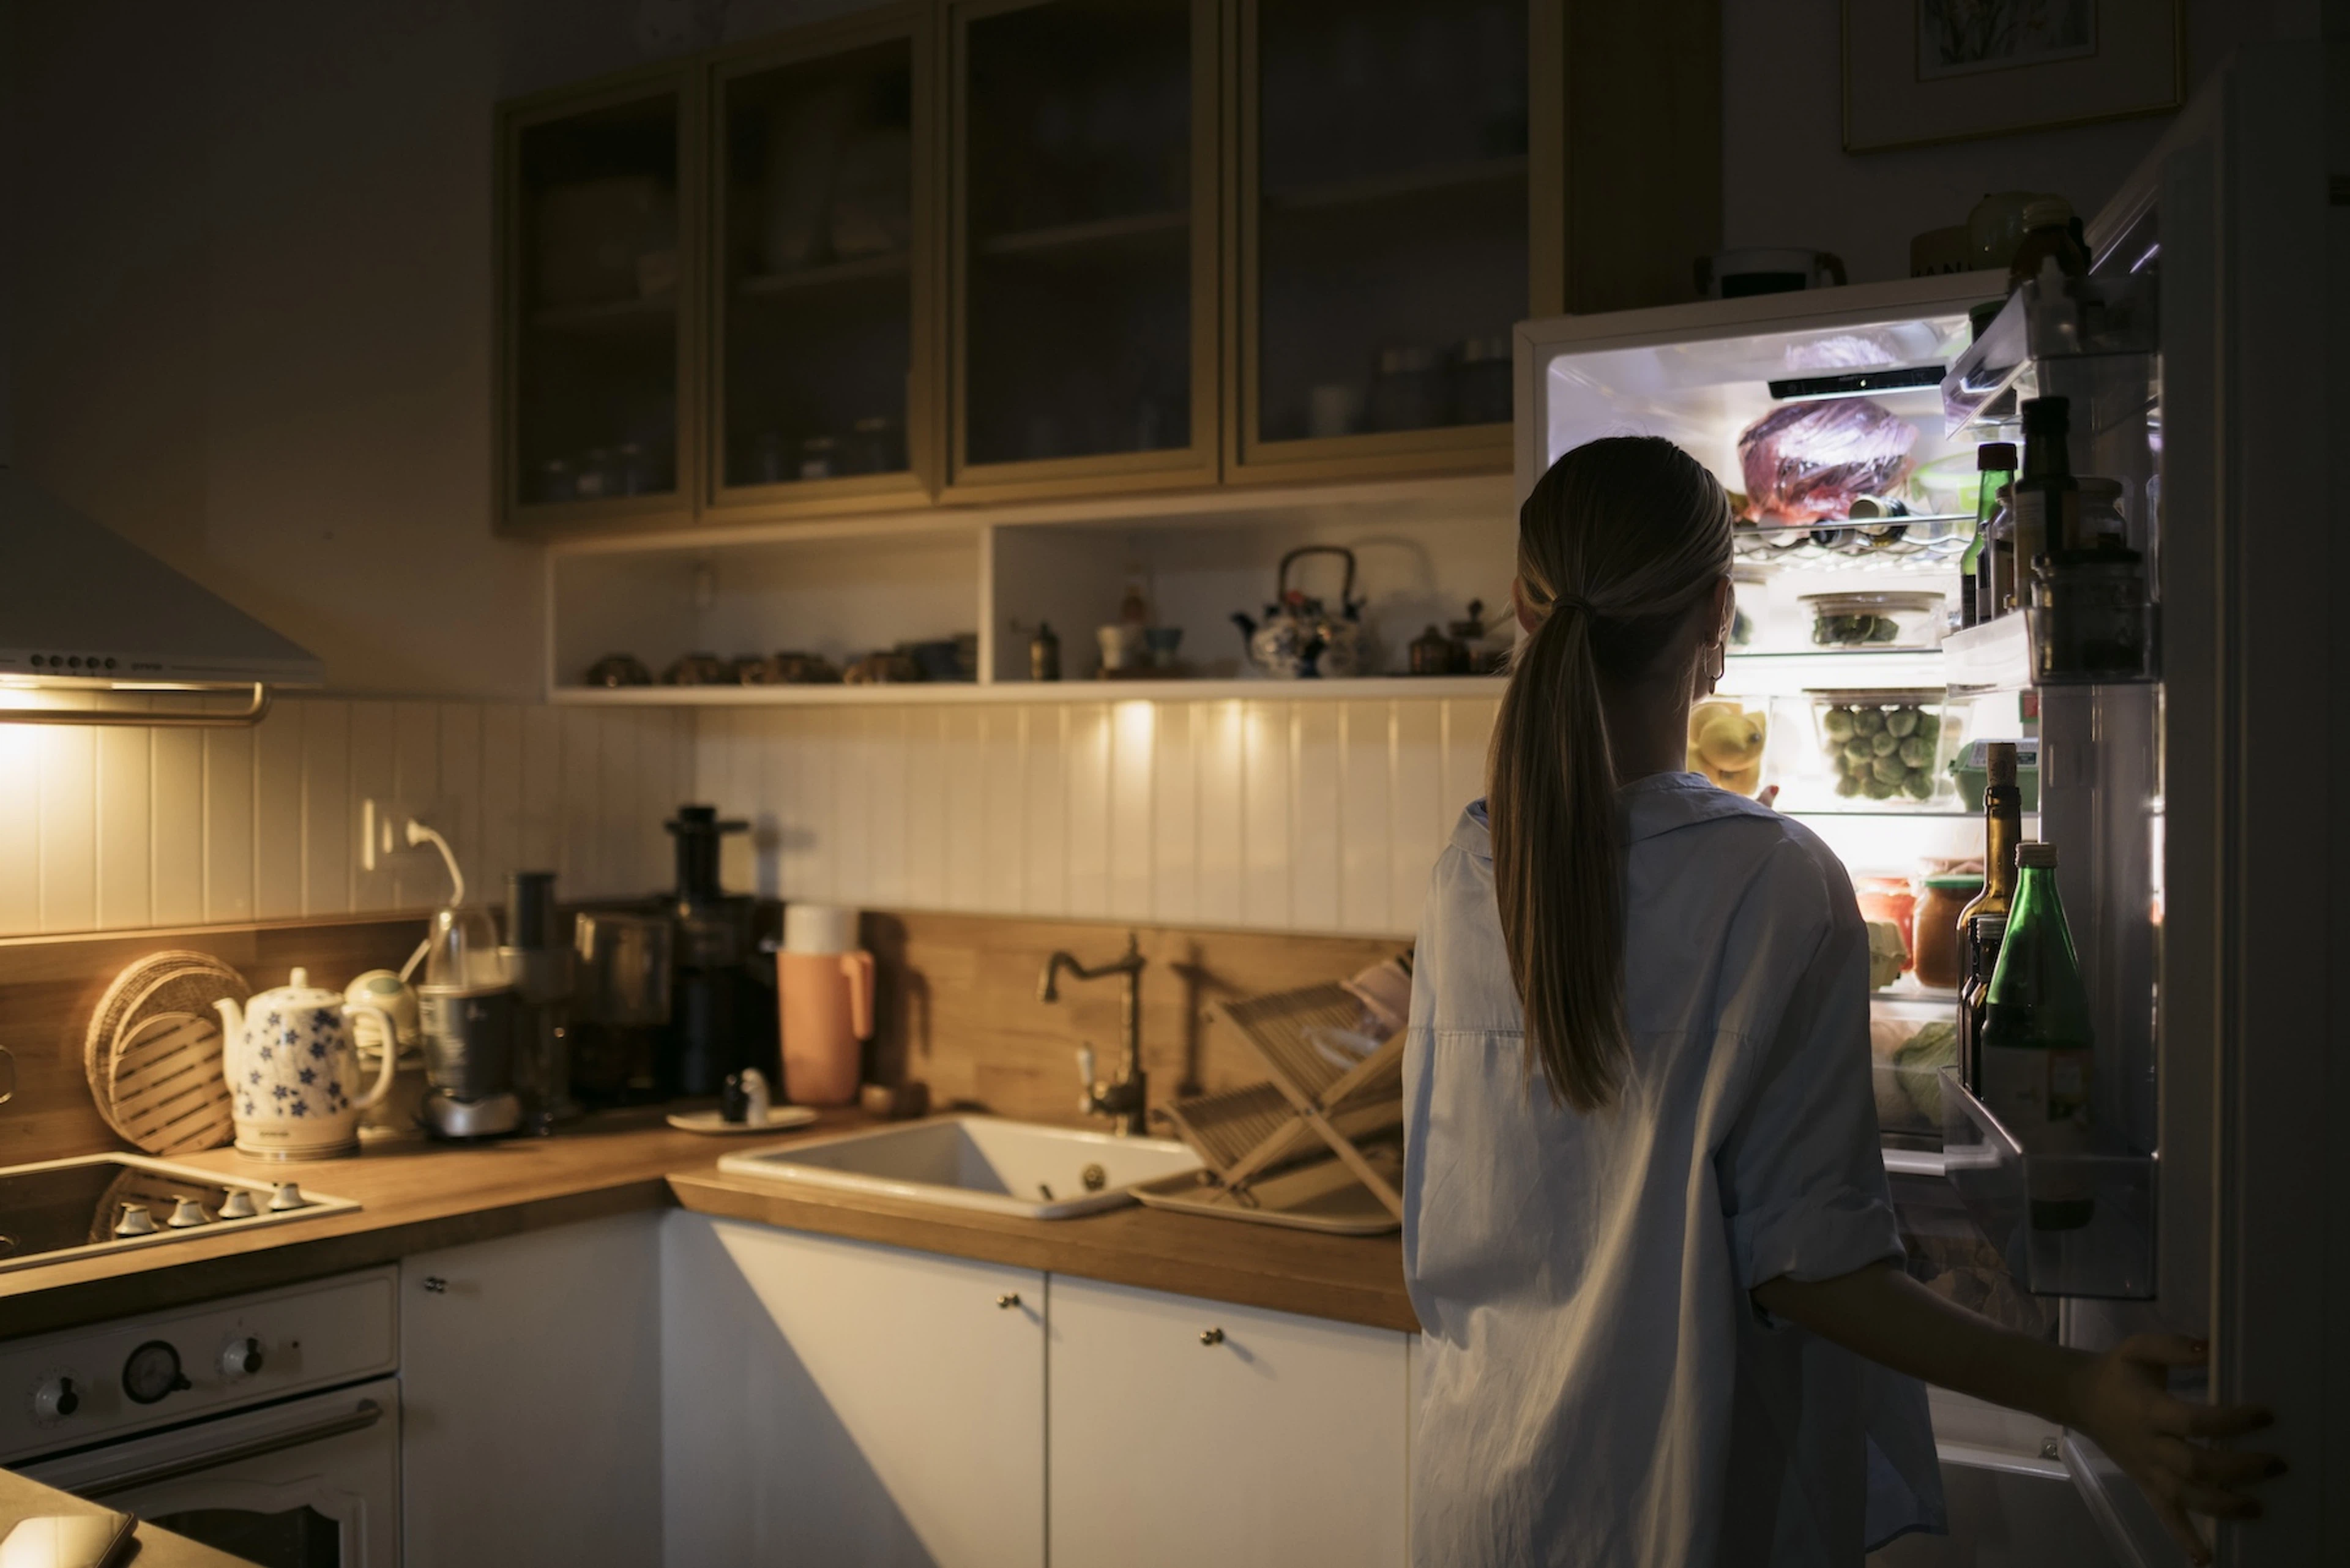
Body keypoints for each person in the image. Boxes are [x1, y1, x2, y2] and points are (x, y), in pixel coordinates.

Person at [1401, 436, 2279, 1567]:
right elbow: (1809, 1265)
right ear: (1720, 611)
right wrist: (2082, 1387)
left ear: (1525, 607)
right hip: (1681, 1506)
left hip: (1483, 1499)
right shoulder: (1773, 878)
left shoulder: (1470, 869)